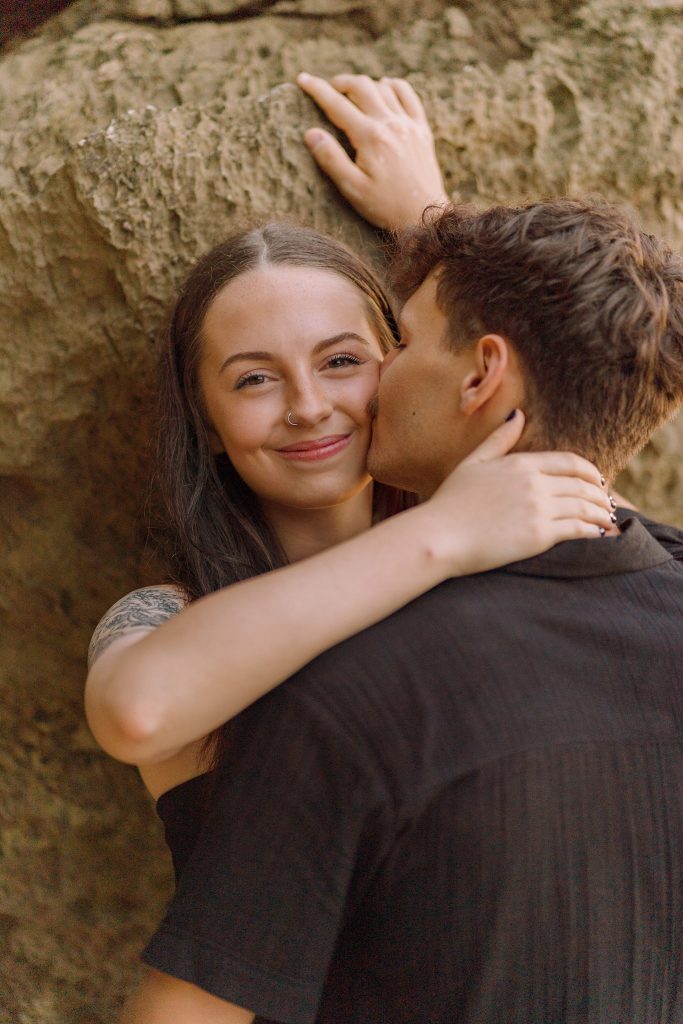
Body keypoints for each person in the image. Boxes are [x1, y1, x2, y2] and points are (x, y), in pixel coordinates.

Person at [116, 77, 683, 1023]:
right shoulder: (190, 629)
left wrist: (440, 237)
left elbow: (572, 427)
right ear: (203, 421)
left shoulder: (526, 582)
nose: (309, 404)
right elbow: (139, 708)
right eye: (254, 378)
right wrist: (440, 528)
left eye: (350, 358)